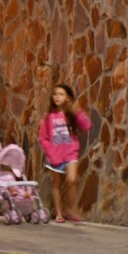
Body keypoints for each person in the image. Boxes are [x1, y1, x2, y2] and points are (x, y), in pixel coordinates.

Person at [39, 84, 91, 224]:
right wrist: (50, 151)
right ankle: (59, 213)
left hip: (70, 153)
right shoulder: (48, 116)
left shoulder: (72, 114)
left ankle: (70, 209)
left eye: (61, 94)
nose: (57, 97)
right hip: (55, 156)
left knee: (72, 179)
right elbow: (43, 137)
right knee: (56, 185)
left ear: (67, 97)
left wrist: (77, 111)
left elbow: (87, 126)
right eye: (55, 94)